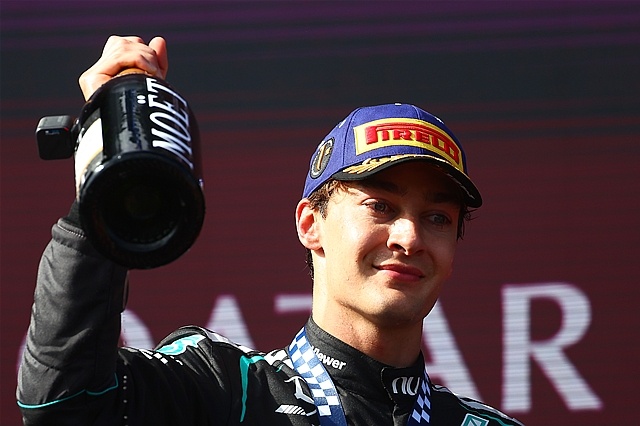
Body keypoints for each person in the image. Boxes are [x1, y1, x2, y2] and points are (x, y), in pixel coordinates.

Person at [16, 36, 523, 426]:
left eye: (437, 218)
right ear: (311, 224)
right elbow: (64, 404)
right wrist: (111, 167)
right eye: (380, 206)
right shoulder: (223, 392)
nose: (409, 237)